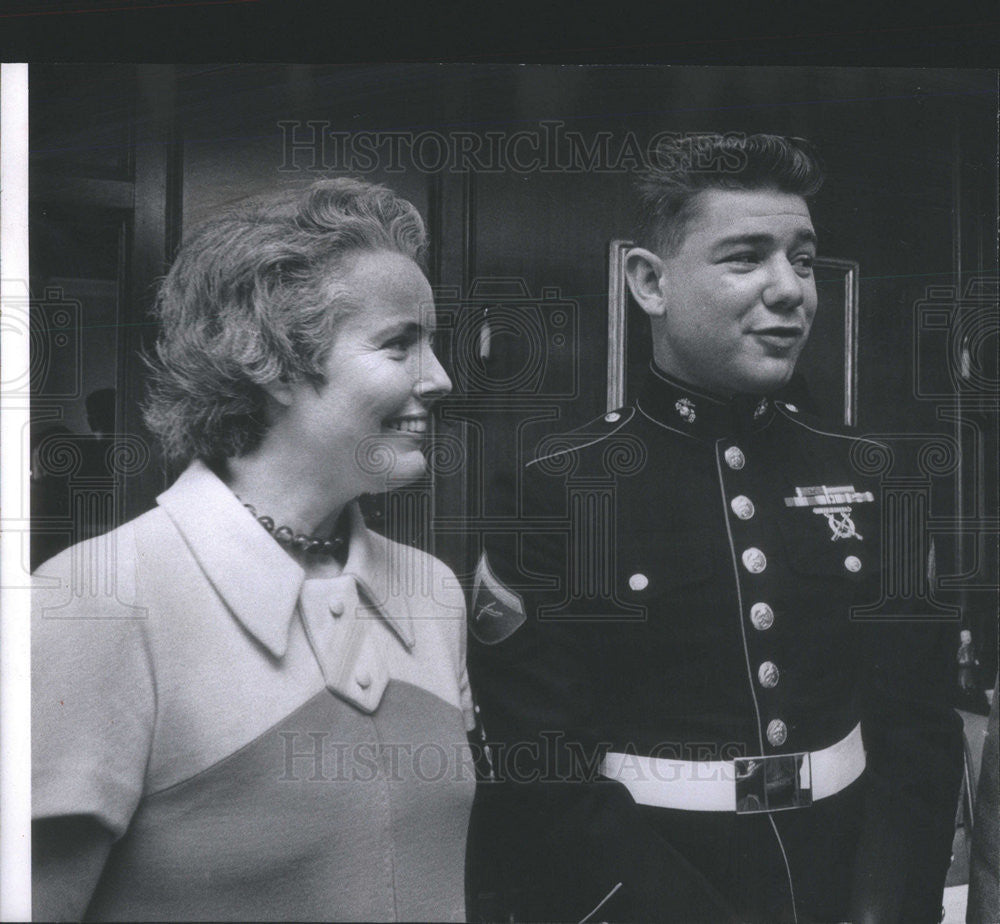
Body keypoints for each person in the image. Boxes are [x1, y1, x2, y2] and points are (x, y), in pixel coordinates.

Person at [467, 134, 964, 922]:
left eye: (802, 260)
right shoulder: (555, 486)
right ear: (648, 283)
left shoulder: (879, 475)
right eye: (745, 257)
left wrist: (889, 906)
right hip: (648, 885)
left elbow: (918, 736)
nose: (789, 290)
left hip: (848, 878)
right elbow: (542, 771)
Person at [32, 178, 474, 922]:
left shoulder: (433, 591)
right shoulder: (97, 599)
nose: (440, 378)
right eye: (401, 343)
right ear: (271, 362)